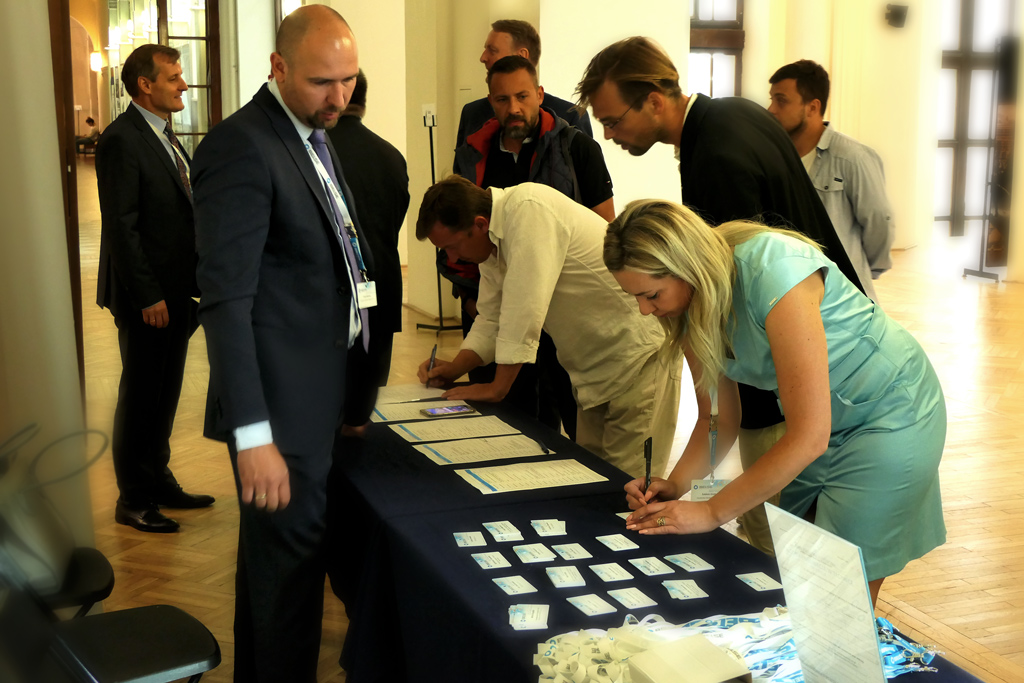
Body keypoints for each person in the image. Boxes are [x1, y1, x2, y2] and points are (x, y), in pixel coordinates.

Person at [575, 36, 866, 555]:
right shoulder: (731, 114)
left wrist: (712, 505)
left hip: (797, 376)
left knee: (781, 543)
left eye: (613, 120)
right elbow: (718, 409)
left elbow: (739, 300)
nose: (609, 134)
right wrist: (683, 480)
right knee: (796, 541)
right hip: (815, 357)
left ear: (654, 100)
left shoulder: (716, 157)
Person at [605, 199, 946, 607]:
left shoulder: (774, 270)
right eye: (636, 298)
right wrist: (675, 486)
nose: (645, 310)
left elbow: (809, 437)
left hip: (890, 412)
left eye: (651, 295)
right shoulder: (689, 303)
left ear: (685, 266)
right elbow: (718, 417)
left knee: (843, 591)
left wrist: (711, 512)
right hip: (822, 423)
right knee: (804, 570)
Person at [191, 6, 371, 681]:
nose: (339, 97)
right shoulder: (241, 145)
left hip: (317, 391)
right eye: (323, 82)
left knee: (279, 575)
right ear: (278, 67)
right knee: (288, 586)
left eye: (349, 80)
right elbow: (226, 303)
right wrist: (253, 435)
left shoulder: (313, 134)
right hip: (280, 408)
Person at [416, 176, 679, 478]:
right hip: (593, 368)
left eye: (451, 246)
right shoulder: (493, 242)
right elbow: (492, 318)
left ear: (479, 224)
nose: (452, 258)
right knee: (592, 477)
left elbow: (524, 310)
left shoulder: (529, 210)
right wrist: (454, 369)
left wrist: (497, 388)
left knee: (630, 485)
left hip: (638, 357)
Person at [448, 55, 615, 438]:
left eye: (522, 96)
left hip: (566, 317)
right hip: (497, 309)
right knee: (506, 422)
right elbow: (465, 235)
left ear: (540, 95)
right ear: (490, 102)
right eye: (502, 99)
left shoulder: (577, 149)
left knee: (576, 424)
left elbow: (607, 232)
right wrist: (469, 297)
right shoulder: (473, 156)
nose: (514, 108)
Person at [95, 44, 212, 534]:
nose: (184, 84)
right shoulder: (122, 139)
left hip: (178, 291)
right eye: (173, 77)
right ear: (145, 85)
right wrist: (147, 295)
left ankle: (158, 481)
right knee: (141, 397)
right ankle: (133, 499)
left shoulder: (164, 133)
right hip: (148, 297)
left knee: (164, 394)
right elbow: (122, 226)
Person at [326, 69, 410, 437]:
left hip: (328, 294)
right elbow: (395, 221)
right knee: (364, 404)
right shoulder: (391, 156)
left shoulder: (312, 154)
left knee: (325, 406)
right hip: (380, 286)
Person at [769, 59, 895, 303]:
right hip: (792, 291)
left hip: (844, 295)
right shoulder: (775, 157)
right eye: (772, 99)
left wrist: (862, 266)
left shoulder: (852, 157)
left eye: (781, 100)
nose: (771, 109)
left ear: (812, 107)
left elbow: (879, 219)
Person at [456, 19, 593, 150]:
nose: (483, 58)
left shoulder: (570, 116)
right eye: (502, 100)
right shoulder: (472, 114)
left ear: (521, 56)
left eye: (492, 50)